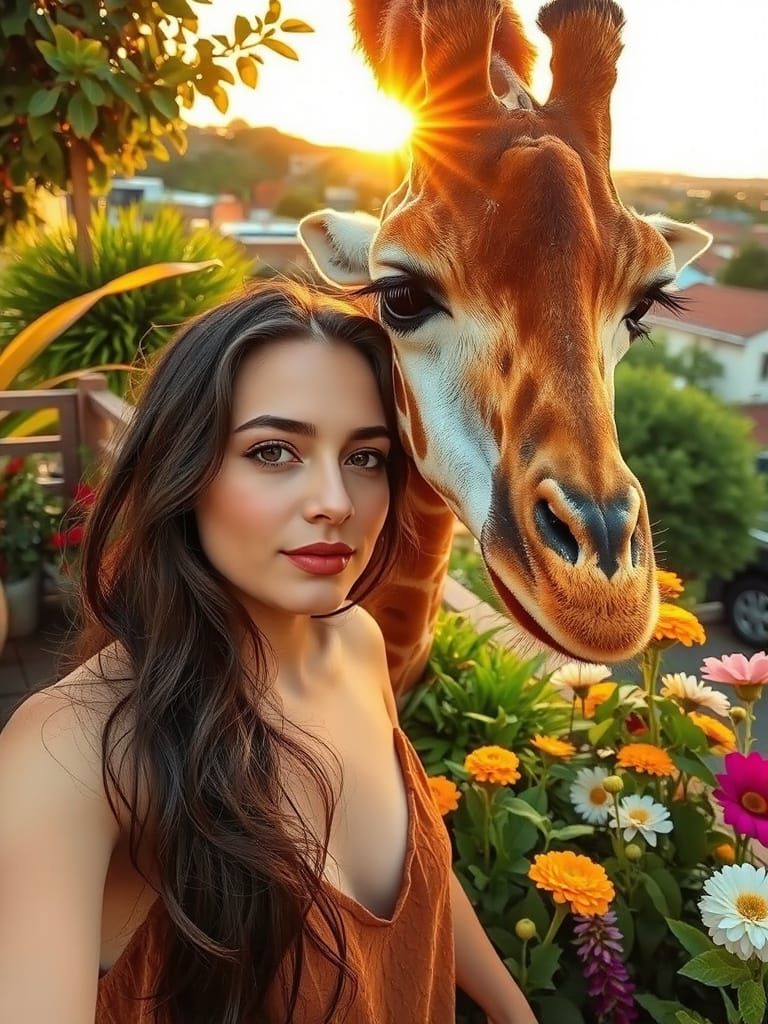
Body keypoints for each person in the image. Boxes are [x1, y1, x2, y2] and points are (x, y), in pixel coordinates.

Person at [0, 281, 537, 1024]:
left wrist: (515, 1011)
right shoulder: (72, 748)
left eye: (366, 457)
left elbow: (422, 877)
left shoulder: (357, 641)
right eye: (274, 451)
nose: (336, 501)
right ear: (181, 472)